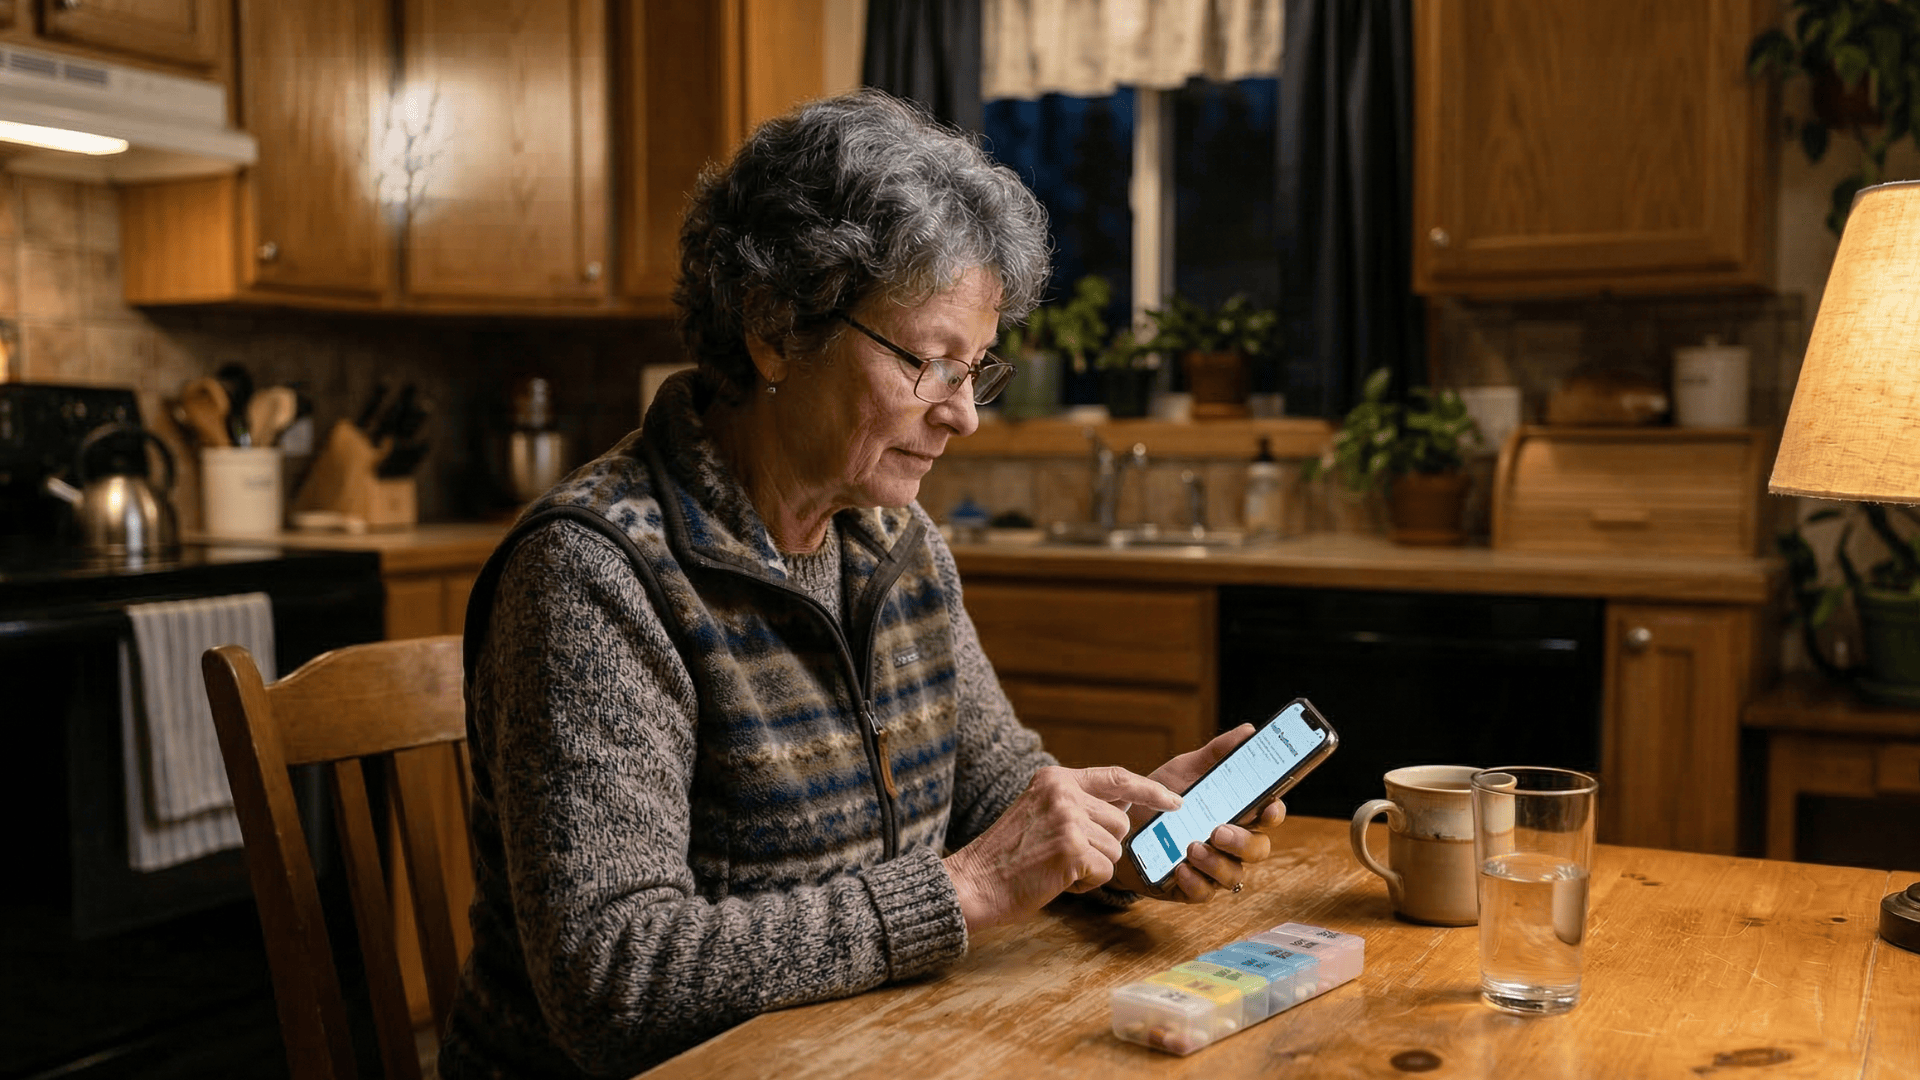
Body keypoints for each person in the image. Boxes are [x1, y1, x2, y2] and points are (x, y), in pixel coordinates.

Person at [439, 89, 1290, 1080]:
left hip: (867, 1051)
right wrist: (966, 890)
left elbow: (989, 787)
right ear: (773, 326)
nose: (964, 415)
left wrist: (1109, 834)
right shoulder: (595, 574)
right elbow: (616, 983)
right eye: (930, 362)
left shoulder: (896, 541)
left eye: (977, 368)